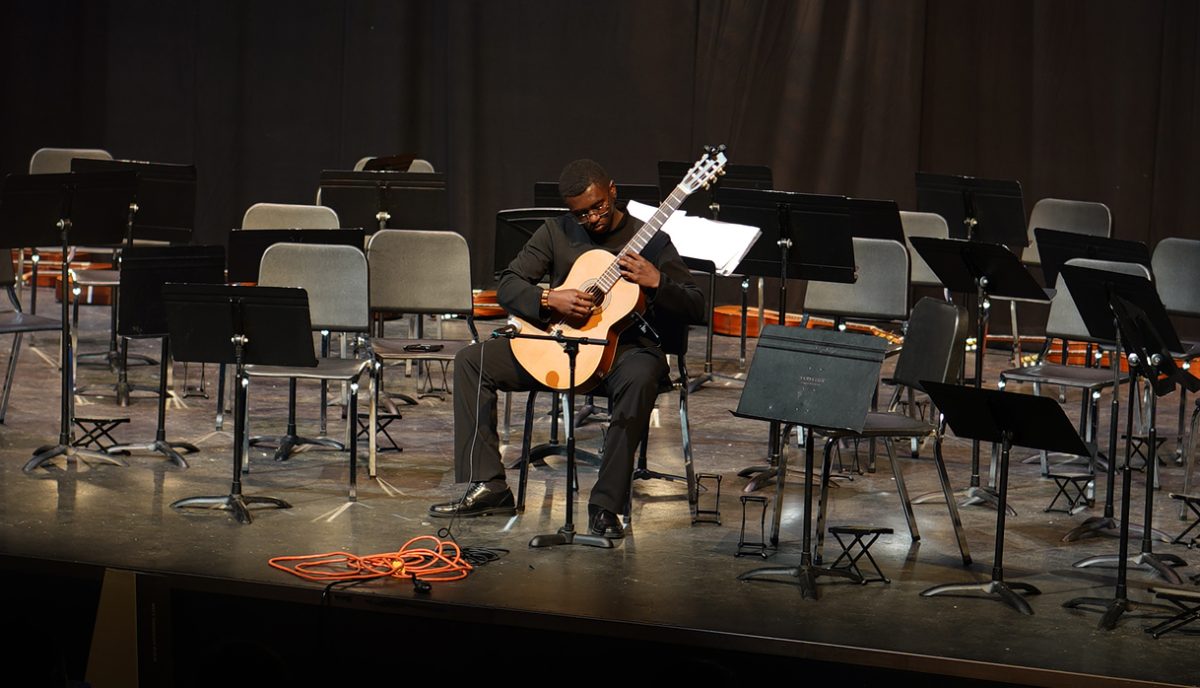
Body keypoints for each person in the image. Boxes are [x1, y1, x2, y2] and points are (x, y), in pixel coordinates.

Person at [429, 159, 706, 538]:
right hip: (558, 344)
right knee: (471, 362)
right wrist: (548, 299)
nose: (591, 219)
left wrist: (658, 281)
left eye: (598, 207)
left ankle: (605, 506)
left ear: (612, 190)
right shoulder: (556, 232)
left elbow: (696, 305)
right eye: (581, 214)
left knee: (642, 378)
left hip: (624, 351)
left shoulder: (652, 240)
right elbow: (509, 285)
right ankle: (490, 486)